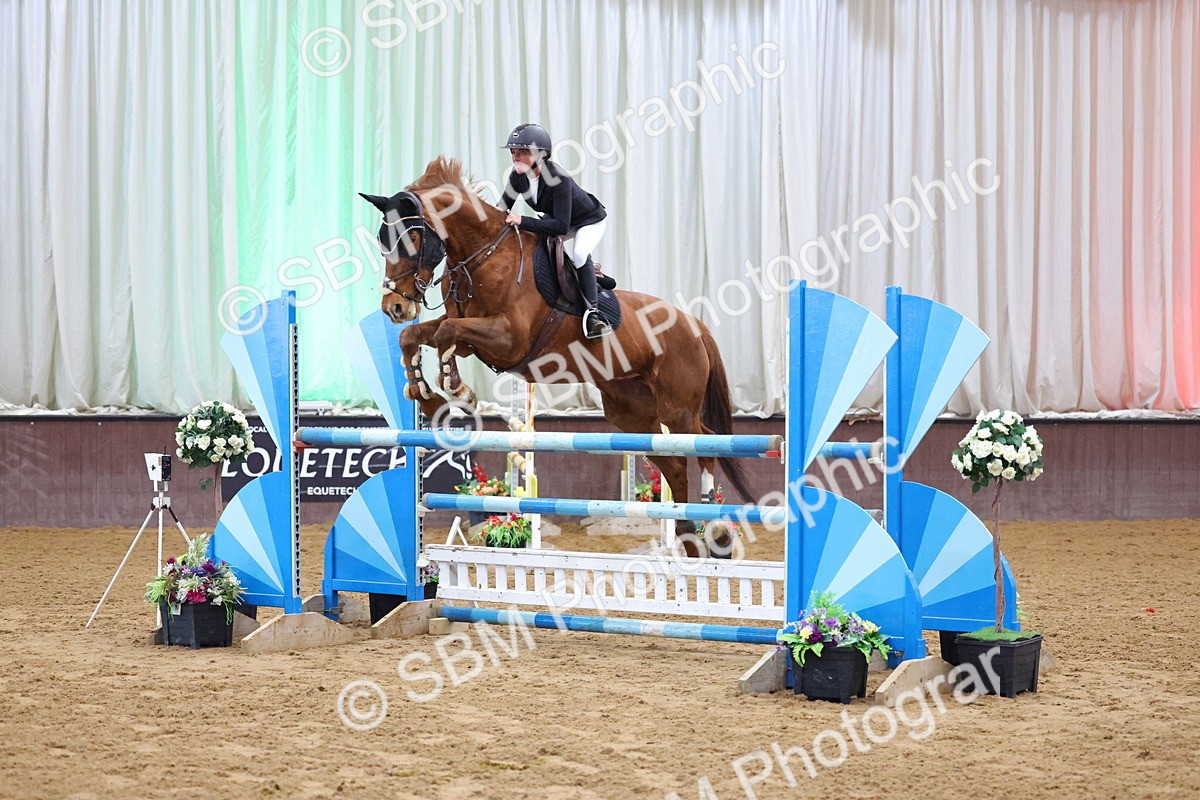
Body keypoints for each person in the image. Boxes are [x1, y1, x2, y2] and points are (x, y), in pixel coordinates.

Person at [500, 123, 611, 338]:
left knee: (580, 253)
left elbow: (560, 227)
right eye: (513, 152)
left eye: (523, 152)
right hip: (559, 219)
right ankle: (591, 279)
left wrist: (521, 220)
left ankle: (593, 315)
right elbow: (501, 209)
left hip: (588, 220)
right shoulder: (517, 178)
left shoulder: (558, 178)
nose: (515, 157)